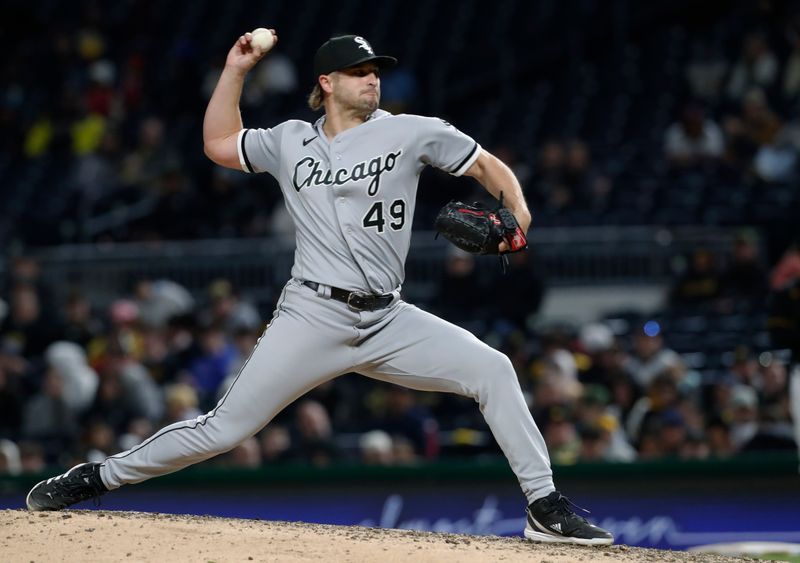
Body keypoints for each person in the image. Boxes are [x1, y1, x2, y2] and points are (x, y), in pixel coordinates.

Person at [26, 31, 613, 546]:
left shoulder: (412, 132)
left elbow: (489, 167)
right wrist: (236, 69)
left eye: (376, 70)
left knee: (494, 370)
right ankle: (95, 478)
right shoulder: (288, 141)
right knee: (223, 430)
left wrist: (519, 217)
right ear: (326, 83)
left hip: (388, 319)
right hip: (311, 315)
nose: (372, 79)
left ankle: (544, 506)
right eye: (360, 72)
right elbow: (217, 144)